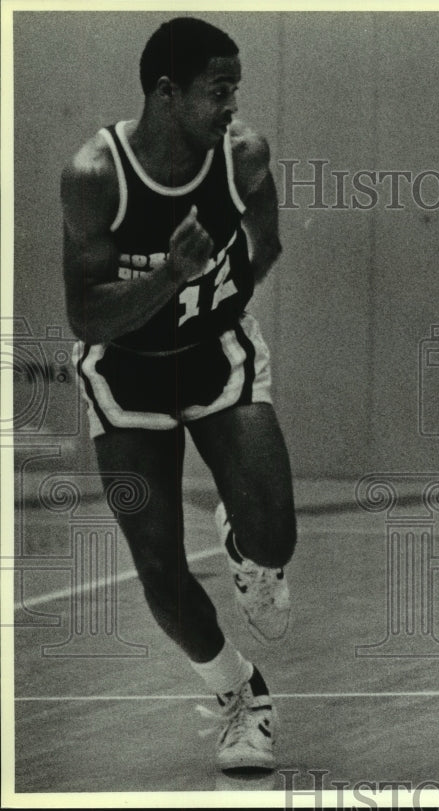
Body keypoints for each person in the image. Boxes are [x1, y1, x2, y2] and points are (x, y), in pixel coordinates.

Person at [60, 17, 296, 773]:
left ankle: (245, 546)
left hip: (215, 358)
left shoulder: (244, 155)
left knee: (276, 537)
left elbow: (270, 244)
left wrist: (217, 302)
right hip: (124, 372)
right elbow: (84, 312)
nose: (233, 106)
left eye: (236, 89)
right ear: (167, 93)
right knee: (157, 565)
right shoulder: (95, 172)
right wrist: (170, 277)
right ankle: (238, 695)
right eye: (218, 91)